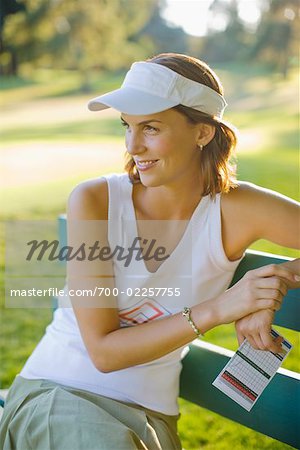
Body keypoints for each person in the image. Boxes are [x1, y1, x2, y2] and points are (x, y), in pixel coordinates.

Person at [0, 53, 299, 450]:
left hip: (151, 419)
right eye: (127, 126)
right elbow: (104, 353)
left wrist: (276, 284)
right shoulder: (96, 200)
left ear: (203, 133)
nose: (133, 145)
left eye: (151, 127)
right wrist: (221, 307)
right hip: (59, 395)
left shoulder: (239, 209)